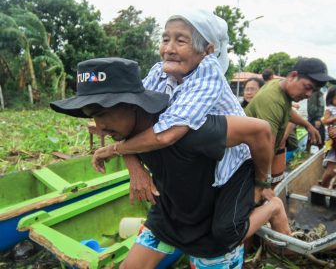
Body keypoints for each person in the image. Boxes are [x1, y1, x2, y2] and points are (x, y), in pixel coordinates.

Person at [50, 57, 291, 268]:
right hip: (170, 209)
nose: (99, 127)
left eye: (102, 113)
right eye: (93, 116)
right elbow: (125, 138)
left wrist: (262, 181)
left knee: (225, 234)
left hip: (211, 218)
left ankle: (273, 207)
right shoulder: (124, 131)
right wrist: (133, 164)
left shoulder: (186, 127)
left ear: (133, 104)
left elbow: (260, 131)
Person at [90, 10, 251, 204]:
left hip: (230, 164)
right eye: (165, 39)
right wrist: (133, 165)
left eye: (180, 41)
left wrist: (113, 150)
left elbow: (166, 134)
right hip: (193, 159)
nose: (169, 49)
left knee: (224, 230)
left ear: (207, 51)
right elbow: (134, 111)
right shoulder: (161, 70)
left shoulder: (209, 72)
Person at [245, 57, 336, 186]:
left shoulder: (278, 84)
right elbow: (265, 148)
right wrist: (263, 185)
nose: (309, 94)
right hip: (248, 158)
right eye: (307, 87)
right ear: (293, 76)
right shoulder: (271, 100)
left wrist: (307, 125)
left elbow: (287, 110)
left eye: (314, 91)